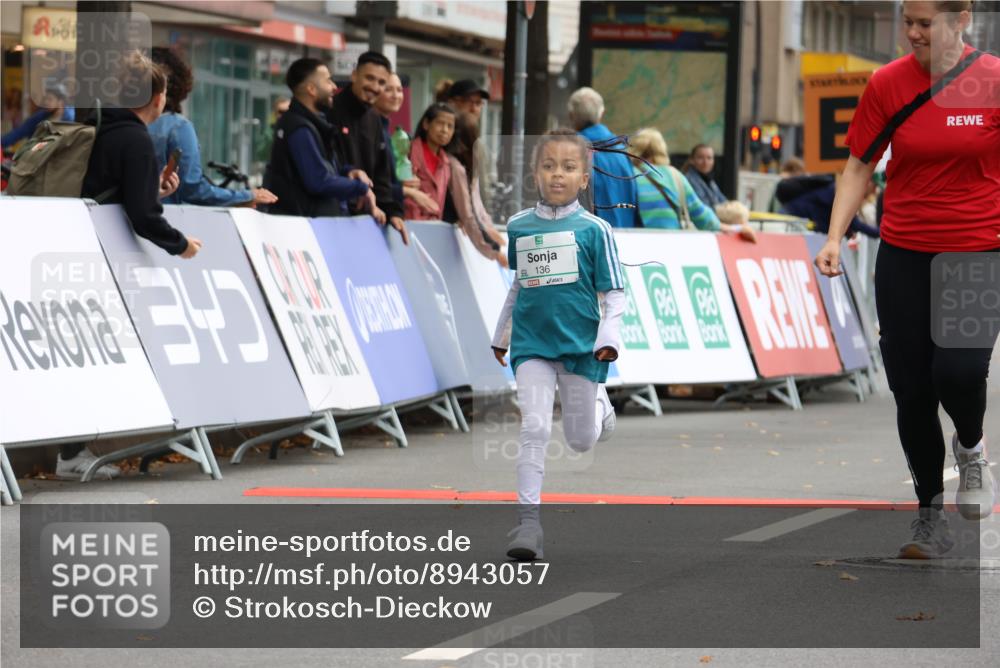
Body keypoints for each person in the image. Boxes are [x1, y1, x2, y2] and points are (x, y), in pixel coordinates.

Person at [815, 0, 999, 559]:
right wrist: (832, 236)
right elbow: (858, 166)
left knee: (959, 370)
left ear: (962, 19)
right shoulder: (888, 84)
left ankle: (970, 447)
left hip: (975, 250)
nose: (914, 33)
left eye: (926, 23)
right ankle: (928, 517)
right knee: (911, 387)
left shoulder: (992, 80)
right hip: (904, 249)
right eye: (908, 22)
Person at [62, 51, 201, 481]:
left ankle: (73, 452)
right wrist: (181, 245)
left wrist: (152, 186)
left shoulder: (102, 128)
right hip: (98, 264)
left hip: (71, 255)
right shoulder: (136, 139)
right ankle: (71, 455)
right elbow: (142, 216)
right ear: (158, 98)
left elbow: (114, 189)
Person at [491, 128, 625, 561]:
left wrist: (608, 336)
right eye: (548, 166)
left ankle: (602, 405)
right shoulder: (518, 226)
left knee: (582, 440)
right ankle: (527, 526)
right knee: (533, 427)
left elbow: (616, 293)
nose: (557, 175)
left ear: (584, 178)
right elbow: (519, 285)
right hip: (532, 344)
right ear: (535, 174)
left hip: (581, 347)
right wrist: (502, 334)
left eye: (568, 168)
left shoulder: (595, 230)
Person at [149, 47, 276, 208]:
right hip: (157, 219)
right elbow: (192, 188)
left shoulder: (119, 121)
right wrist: (246, 196)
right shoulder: (176, 127)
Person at [264, 58, 373, 218]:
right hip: (304, 230)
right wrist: (360, 188)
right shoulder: (299, 128)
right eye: (328, 81)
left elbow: (326, 170)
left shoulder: (314, 125)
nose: (334, 87)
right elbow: (318, 181)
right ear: (311, 89)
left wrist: (349, 172)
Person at [325, 51, 408, 244]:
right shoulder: (330, 111)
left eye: (381, 82)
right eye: (369, 78)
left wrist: (392, 211)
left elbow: (381, 174)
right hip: (332, 219)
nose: (374, 87)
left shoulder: (374, 119)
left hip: (364, 221)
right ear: (354, 75)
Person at [630, 127, 757, 242]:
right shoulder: (675, 176)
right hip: (670, 247)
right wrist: (738, 228)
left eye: (709, 158)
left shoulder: (628, 176)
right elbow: (704, 218)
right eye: (701, 157)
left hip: (637, 246)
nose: (706, 162)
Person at [567, 87, 638, 229]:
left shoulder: (569, 151)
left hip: (586, 241)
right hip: (623, 239)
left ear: (571, 115)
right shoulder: (622, 154)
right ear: (601, 114)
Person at [775, 158, 878, 238]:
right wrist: (883, 234)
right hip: (789, 220)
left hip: (794, 221)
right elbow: (854, 223)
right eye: (874, 186)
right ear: (868, 182)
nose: (874, 191)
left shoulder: (833, 190)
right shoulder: (837, 193)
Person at [1, 84, 74, 150]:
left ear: (60, 101)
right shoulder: (41, 116)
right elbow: (19, 132)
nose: (46, 102)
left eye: (50, 99)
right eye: (45, 99)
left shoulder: (71, 118)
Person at [684, 144, 728, 210]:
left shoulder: (709, 180)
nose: (705, 162)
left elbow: (724, 201)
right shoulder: (689, 180)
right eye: (700, 158)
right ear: (692, 160)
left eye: (709, 158)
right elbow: (703, 207)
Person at [255, 96, 290, 166]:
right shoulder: (270, 131)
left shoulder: (299, 129)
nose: (285, 115)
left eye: (288, 111)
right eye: (281, 112)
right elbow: (261, 154)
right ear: (275, 114)